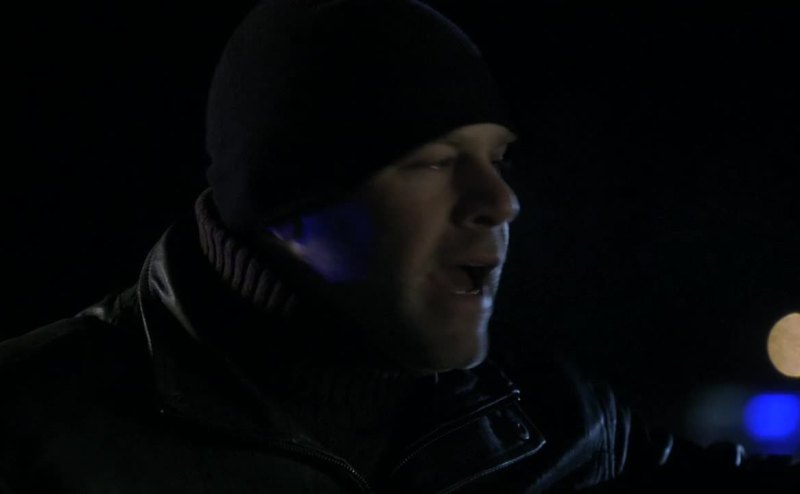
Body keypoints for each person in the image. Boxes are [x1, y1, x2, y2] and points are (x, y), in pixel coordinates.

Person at [1, 0, 795, 492]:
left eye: (497, 158)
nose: (501, 201)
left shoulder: (551, 420)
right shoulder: (36, 432)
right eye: (436, 162)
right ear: (291, 205)